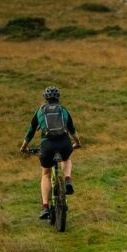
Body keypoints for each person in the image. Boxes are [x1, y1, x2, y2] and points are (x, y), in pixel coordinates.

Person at [19, 86, 81, 219]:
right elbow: (72, 129)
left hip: (47, 145)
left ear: (45, 98)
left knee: (46, 174)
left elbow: (30, 132)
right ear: (58, 98)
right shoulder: (63, 110)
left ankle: (46, 207)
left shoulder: (40, 111)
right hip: (64, 143)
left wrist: (24, 147)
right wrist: (77, 143)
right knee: (66, 158)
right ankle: (68, 180)